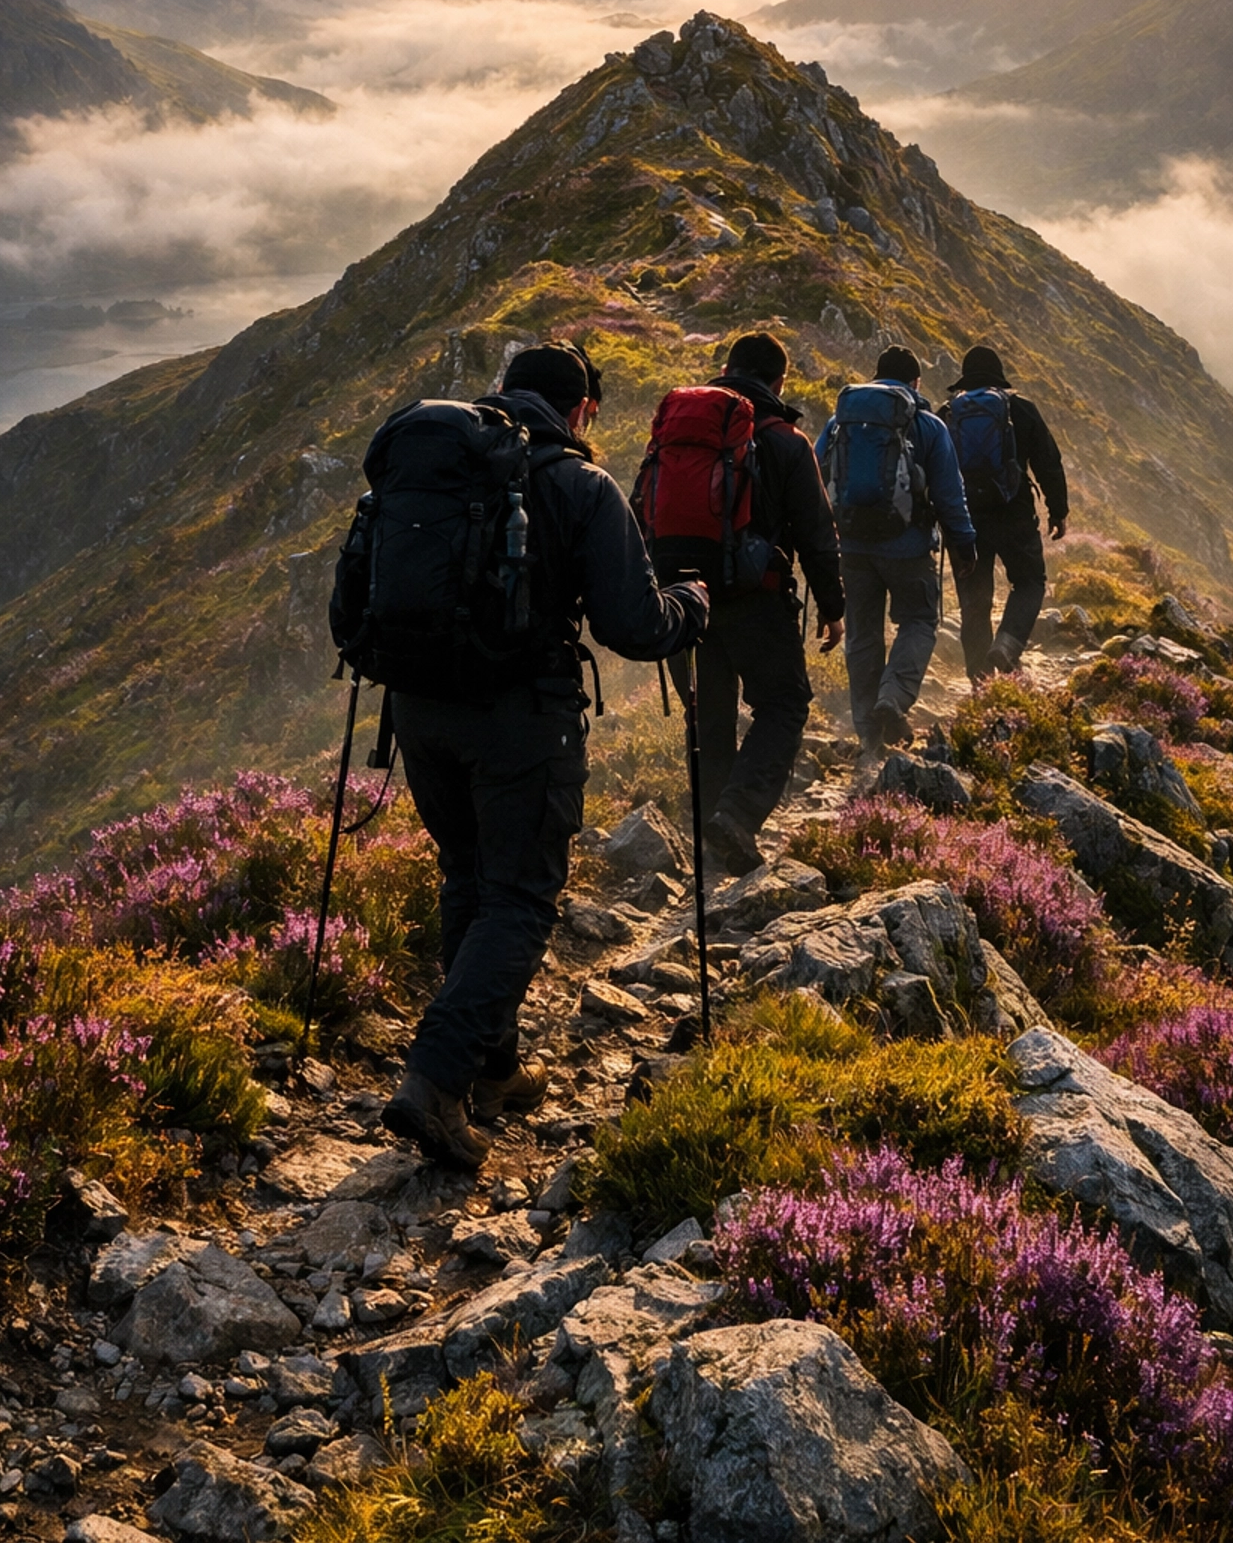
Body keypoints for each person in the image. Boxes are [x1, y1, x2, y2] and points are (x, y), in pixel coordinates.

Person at [378, 341, 708, 1170]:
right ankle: (436, 1078)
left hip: (419, 710)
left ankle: (494, 1067)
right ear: (581, 411)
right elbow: (632, 627)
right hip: (521, 721)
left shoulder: (446, 469)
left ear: (502, 394)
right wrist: (692, 607)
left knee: (467, 877)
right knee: (519, 900)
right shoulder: (579, 484)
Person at [657, 331, 845, 876]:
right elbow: (815, 532)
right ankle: (735, 818)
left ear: (727, 369)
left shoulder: (679, 435)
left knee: (710, 715)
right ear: (779, 381)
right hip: (755, 599)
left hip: (683, 598)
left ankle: (714, 831)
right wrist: (833, 607)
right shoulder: (786, 441)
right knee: (783, 703)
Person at [817, 346, 977, 754]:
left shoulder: (840, 423)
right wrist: (964, 543)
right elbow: (949, 492)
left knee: (863, 634)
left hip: (852, 549)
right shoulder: (926, 426)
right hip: (908, 549)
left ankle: (868, 729)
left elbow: (816, 477)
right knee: (920, 620)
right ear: (915, 383)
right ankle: (893, 697)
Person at [941, 344, 1069, 680]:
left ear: (964, 380)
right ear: (999, 377)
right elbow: (1048, 462)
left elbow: (933, 470)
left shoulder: (947, 414)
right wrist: (1058, 511)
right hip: (1014, 514)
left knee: (974, 600)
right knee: (1029, 582)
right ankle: (1007, 646)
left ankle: (978, 681)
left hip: (966, 520)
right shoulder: (1020, 409)